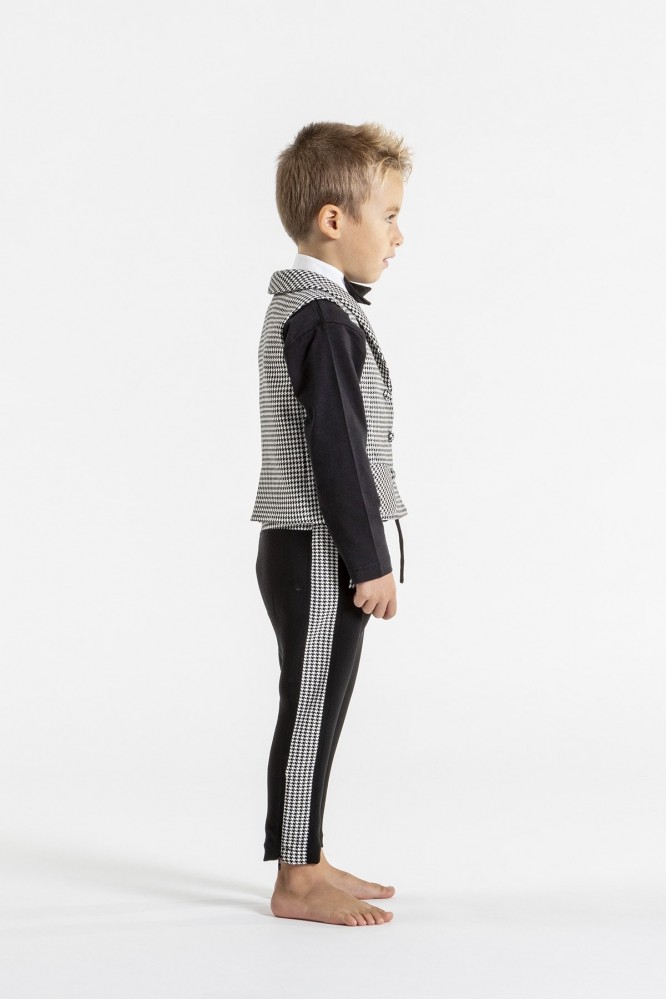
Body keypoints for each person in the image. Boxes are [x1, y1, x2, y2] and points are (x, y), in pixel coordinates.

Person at [250, 121, 412, 927]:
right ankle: (295, 879)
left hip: (313, 548)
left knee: (319, 701)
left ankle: (307, 855)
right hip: (319, 549)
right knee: (312, 705)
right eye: (390, 215)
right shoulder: (319, 317)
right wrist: (370, 560)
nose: (399, 236)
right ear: (333, 219)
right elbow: (338, 452)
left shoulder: (321, 309)